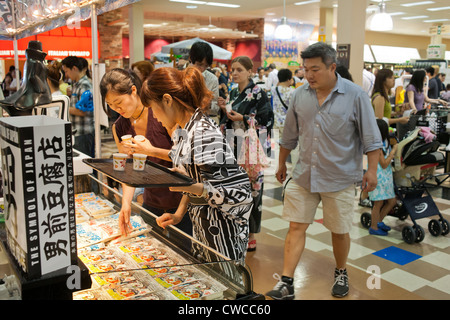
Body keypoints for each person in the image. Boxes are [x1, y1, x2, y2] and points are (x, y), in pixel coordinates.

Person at [266, 42, 383, 300]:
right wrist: (282, 162)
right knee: (296, 227)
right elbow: (289, 136)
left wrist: (372, 171)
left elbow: (372, 139)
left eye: (315, 69)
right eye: (306, 69)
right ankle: (286, 282)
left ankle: (341, 271)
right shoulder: (299, 95)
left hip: (340, 178)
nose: (308, 75)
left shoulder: (356, 95)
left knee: (339, 230)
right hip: (304, 174)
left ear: (332, 67)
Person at [141, 66, 253, 262]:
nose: (155, 116)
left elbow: (239, 193)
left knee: (227, 287)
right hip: (203, 225)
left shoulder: (202, 133)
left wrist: (186, 186)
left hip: (223, 232)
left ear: (167, 100)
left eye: (153, 108)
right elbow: (194, 173)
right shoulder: (185, 129)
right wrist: (178, 214)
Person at [99, 68, 188, 235]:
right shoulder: (119, 126)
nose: (116, 109)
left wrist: (151, 151)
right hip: (151, 201)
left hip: (181, 204)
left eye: (119, 102)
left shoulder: (161, 114)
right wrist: (125, 204)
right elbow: (127, 170)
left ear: (133, 90)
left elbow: (185, 157)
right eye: (110, 105)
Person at [218, 56, 273, 252]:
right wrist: (225, 109)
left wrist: (245, 118)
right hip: (233, 145)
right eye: (233, 69)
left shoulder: (259, 93)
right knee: (234, 187)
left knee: (252, 189)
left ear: (250, 71)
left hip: (250, 148)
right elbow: (227, 120)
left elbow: (267, 121)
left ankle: (250, 233)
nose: (234, 73)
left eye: (239, 69)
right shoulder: (233, 92)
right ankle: (235, 226)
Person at [368, 119, 398, 236]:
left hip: (386, 177)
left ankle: (378, 221)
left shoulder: (384, 142)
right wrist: (393, 152)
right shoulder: (377, 146)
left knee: (392, 201)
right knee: (378, 203)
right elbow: (384, 164)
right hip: (379, 177)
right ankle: (374, 227)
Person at [61, 56, 95, 157]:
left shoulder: (84, 85)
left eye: (67, 71)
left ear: (74, 68)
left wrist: (63, 106)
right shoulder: (76, 84)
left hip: (83, 133)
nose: (66, 75)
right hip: (77, 132)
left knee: (86, 166)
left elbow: (83, 111)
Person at [189, 41, 220, 123]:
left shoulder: (212, 79)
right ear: (190, 59)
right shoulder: (180, 76)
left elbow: (216, 108)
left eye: (206, 66)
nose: (202, 69)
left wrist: (208, 105)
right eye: (199, 64)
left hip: (203, 123)